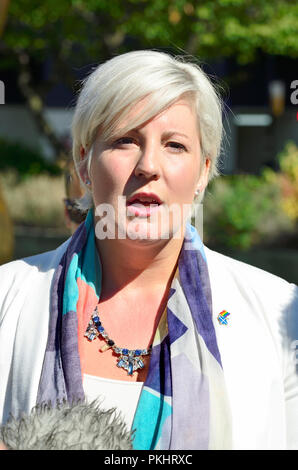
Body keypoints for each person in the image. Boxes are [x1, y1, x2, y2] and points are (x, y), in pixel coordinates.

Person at [0, 50, 297, 450]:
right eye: (125, 140)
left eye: (174, 145)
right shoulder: (8, 298)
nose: (148, 165)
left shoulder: (282, 315)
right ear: (84, 162)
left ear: (204, 170)